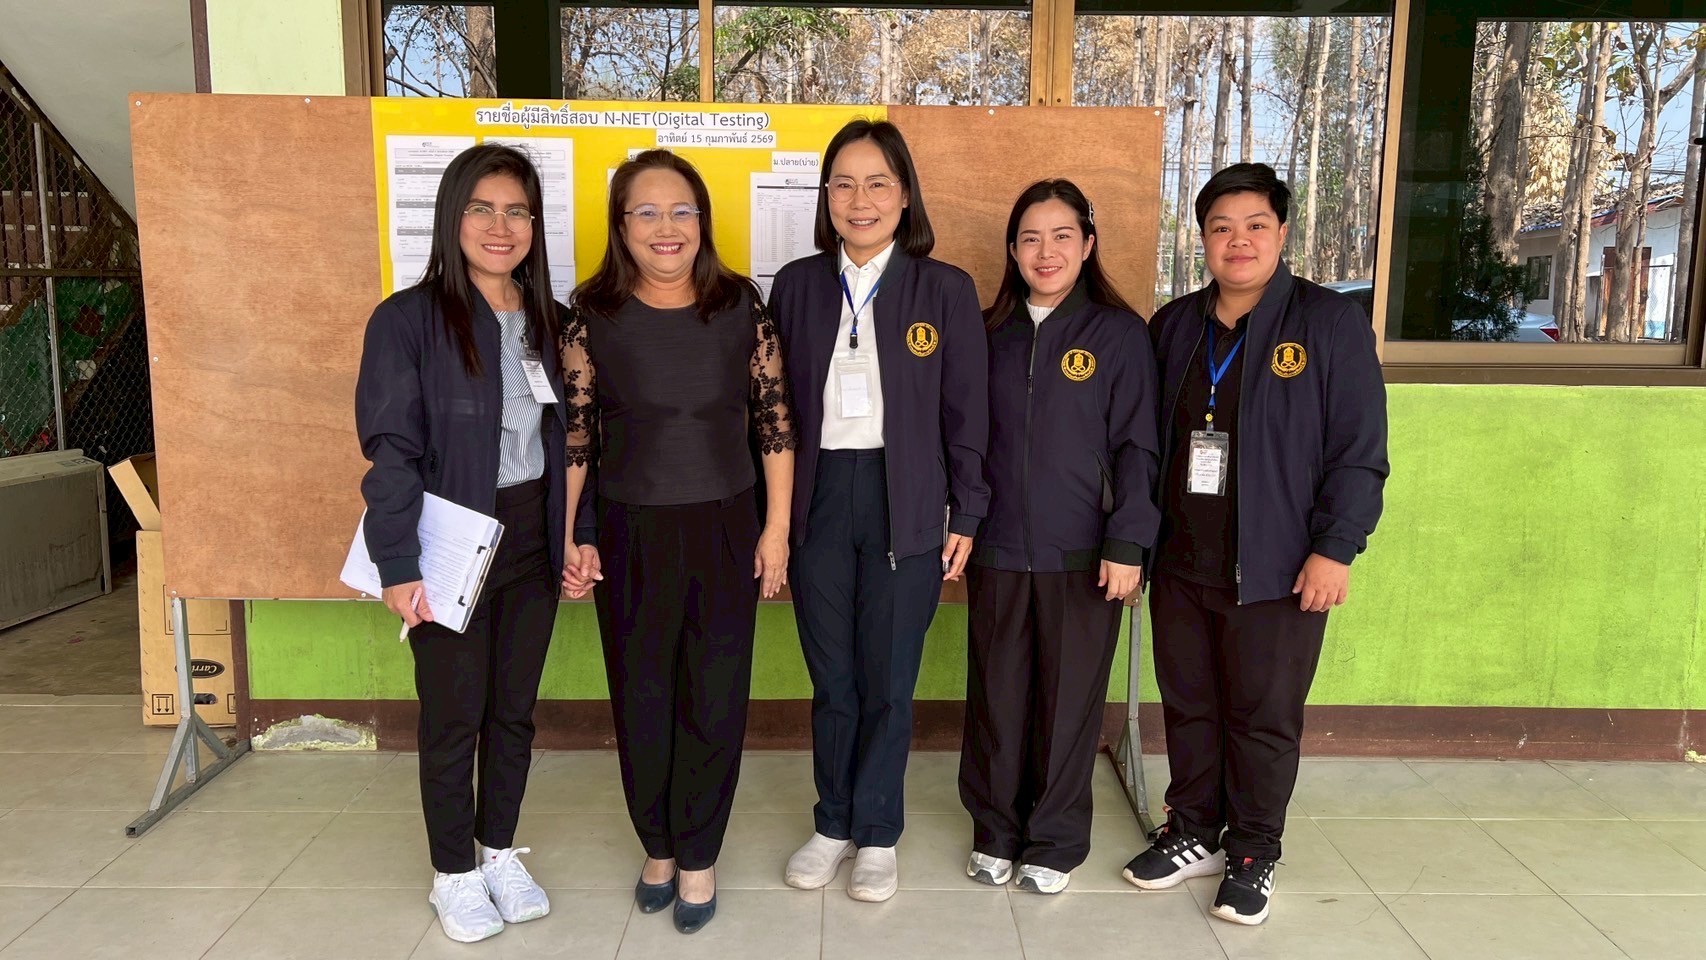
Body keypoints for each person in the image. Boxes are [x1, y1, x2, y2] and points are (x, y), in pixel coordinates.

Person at [1120, 162, 1388, 925]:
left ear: (1281, 233)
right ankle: (1193, 829)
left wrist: (1336, 547)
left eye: (1255, 226)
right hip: (1182, 560)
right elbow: (1144, 445)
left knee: (1263, 717)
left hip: (1278, 567)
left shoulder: (1327, 324)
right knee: (1189, 706)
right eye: (1221, 228)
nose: (1238, 241)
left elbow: (1359, 450)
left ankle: (1252, 851)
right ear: (1202, 238)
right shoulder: (1175, 326)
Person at [559, 149, 796, 935]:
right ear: (621, 225)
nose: (668, 227)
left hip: (727, 525)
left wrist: (776, 530)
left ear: (703, 220)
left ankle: (699, 853)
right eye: (648, 212)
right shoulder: (590, 314)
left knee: (714, 695)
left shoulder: (741, 306)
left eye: (682, 210)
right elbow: (577, 437)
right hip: (629, 530)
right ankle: (656, 845)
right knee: (642, 695)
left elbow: (774, 424)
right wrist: (572, 535)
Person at [769, 118, 989, 903]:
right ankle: (832, 822)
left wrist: (968, 511)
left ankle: (878, 832)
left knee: (890, 679)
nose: (859, 199)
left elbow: (968, 413)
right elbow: (770, 411)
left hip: (909, 500)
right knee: (833, 678)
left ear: (904, 197)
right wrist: (773, 519)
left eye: (877, 183)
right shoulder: (796, 285)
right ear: (826, 196)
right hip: (820, 496)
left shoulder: (943, 289)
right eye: (843, 183)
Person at [355, 144, 564, 944]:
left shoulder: (551, 321)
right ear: (453, 218)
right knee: (453, 715)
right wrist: (396, 564)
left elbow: (573, 442)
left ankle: (499, 851)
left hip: (532, 539)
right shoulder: (407, 320)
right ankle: (454, 873)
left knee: (513, 711)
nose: (499, 226)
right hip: (450, 541)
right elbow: (391, 451)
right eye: (482, 208)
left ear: (534, 224)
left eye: (516, 211)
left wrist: (575, 537)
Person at [960, 179, 1160, 896]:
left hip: (1086, 553)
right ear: (1012, 250)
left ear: (1088, 244)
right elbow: (963, 439)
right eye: (1031, 238)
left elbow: (1139, 448)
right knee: (997, 696)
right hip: (996, 549)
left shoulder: (1119, 333)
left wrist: (1129, 542)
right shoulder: (987, 333)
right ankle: (995, 831)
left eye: (1062, 236)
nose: (1046, 252)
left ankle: (1054, 839)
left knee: (1068, 703)